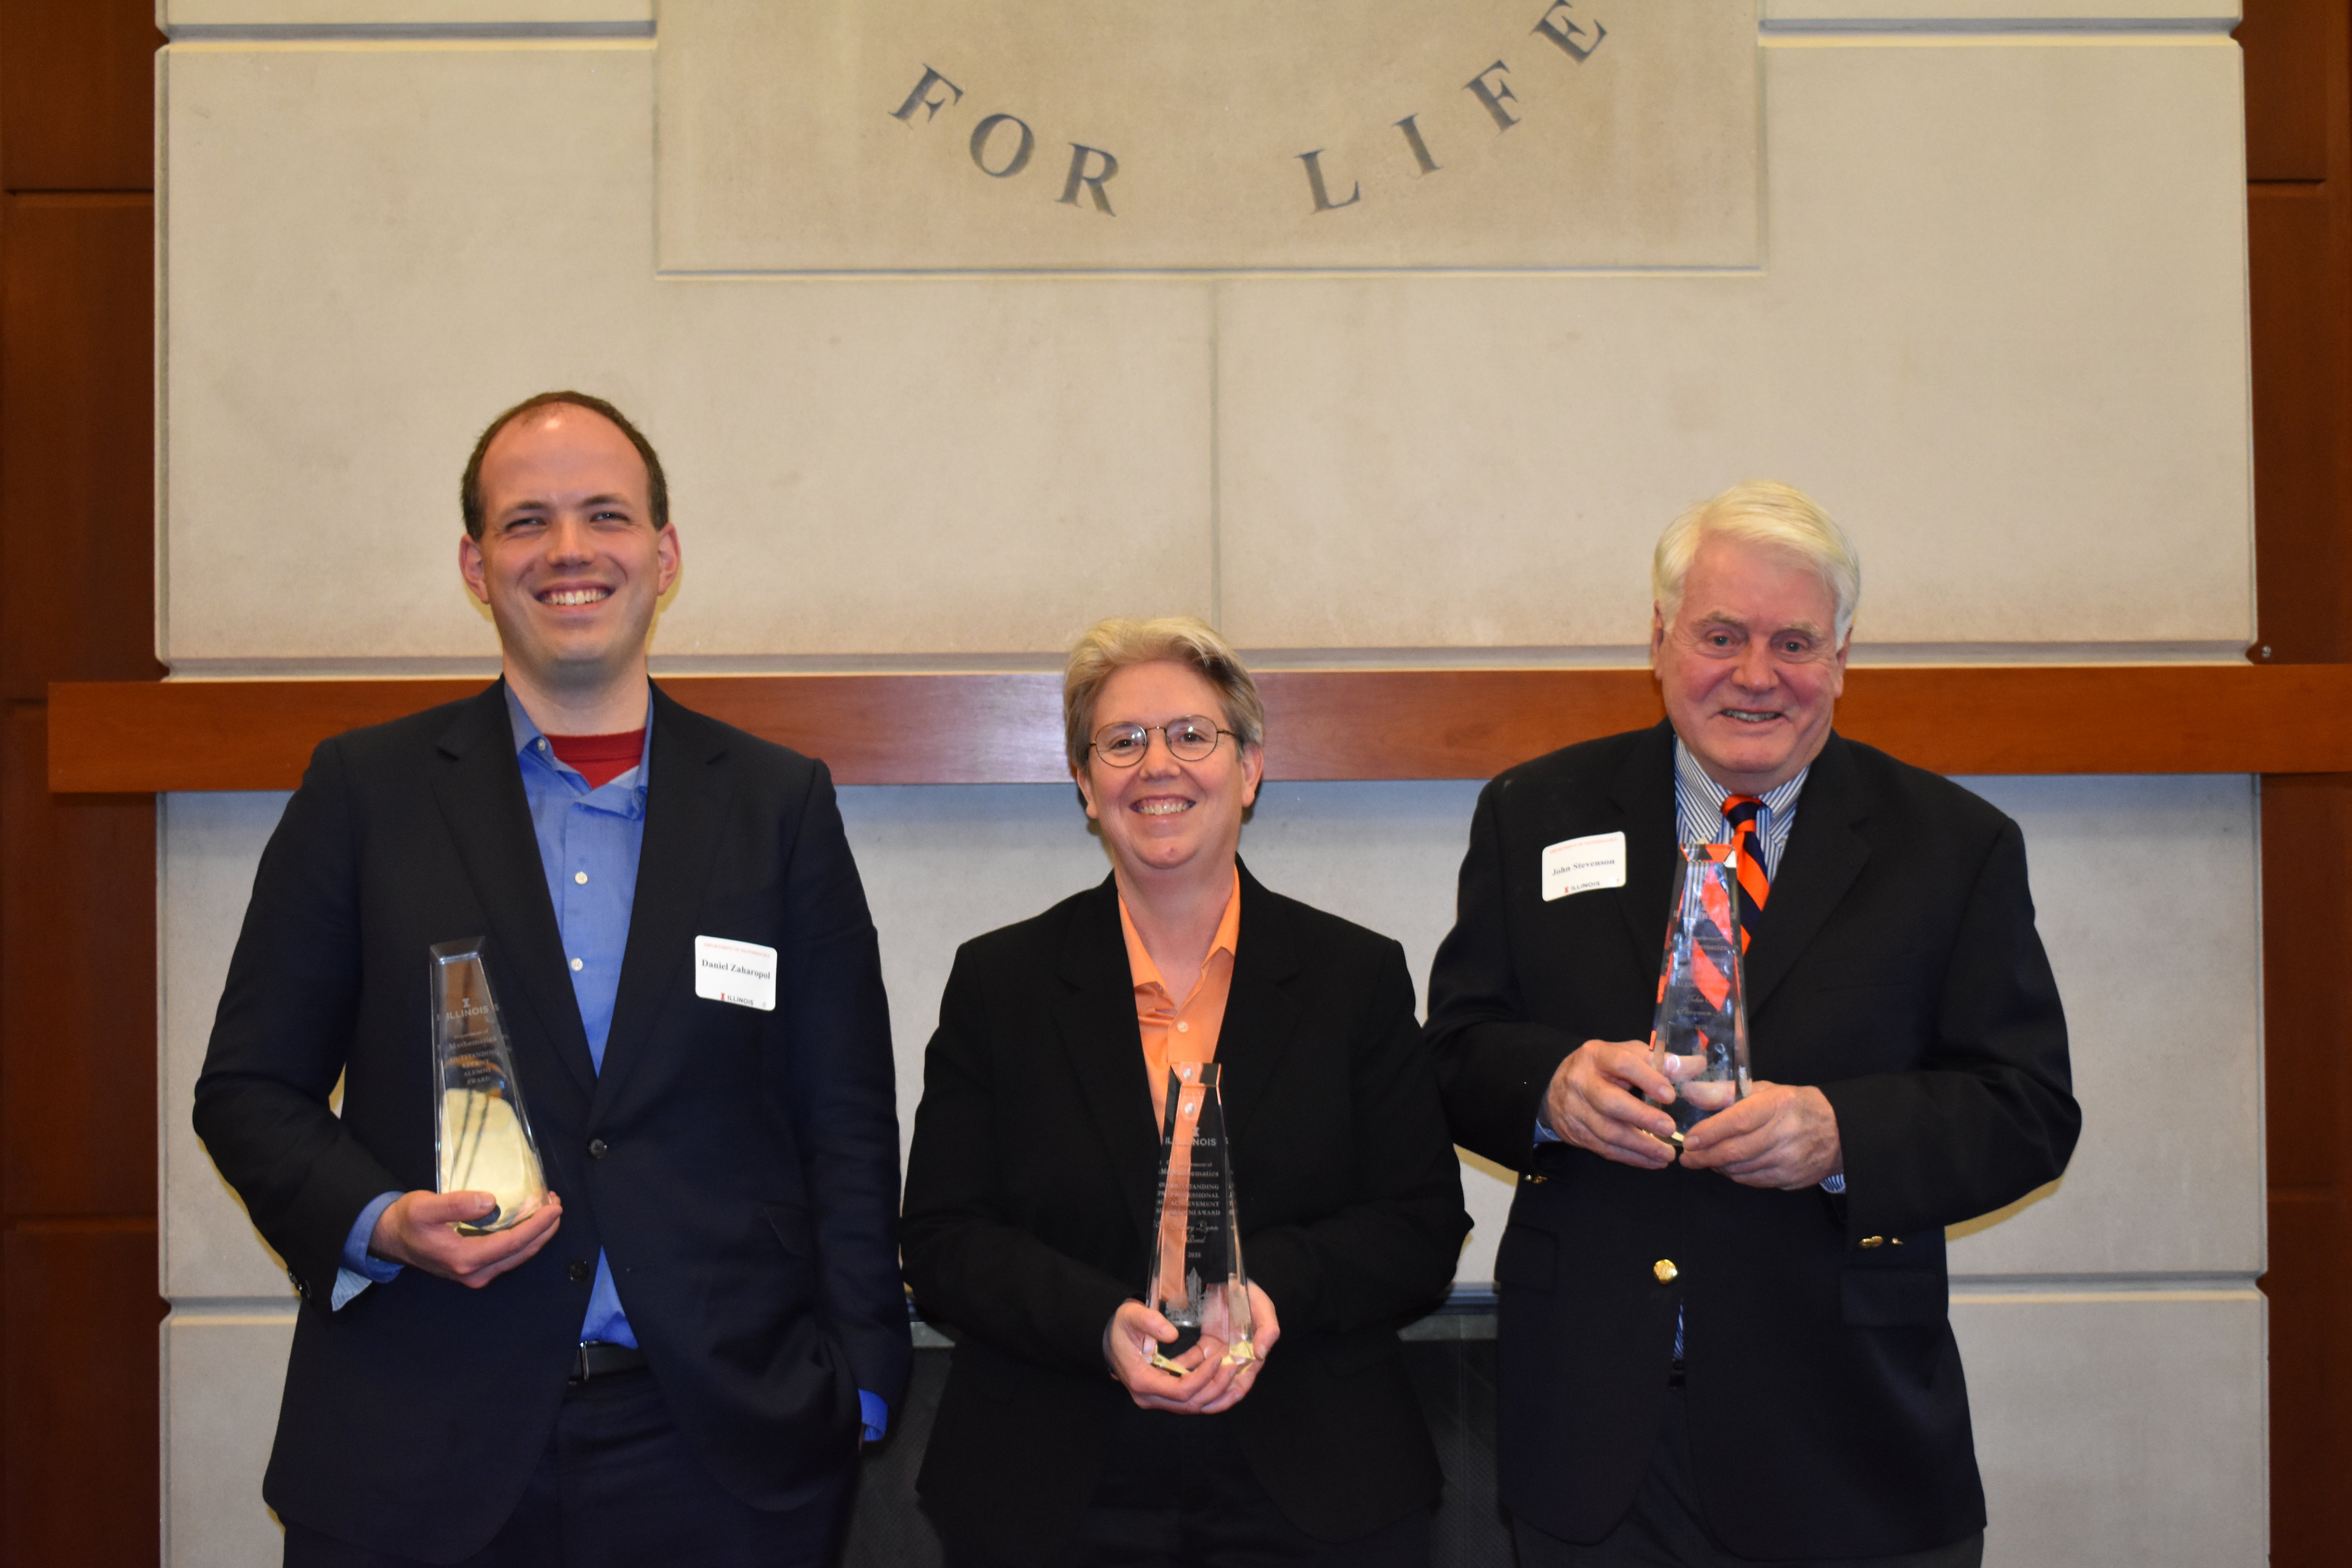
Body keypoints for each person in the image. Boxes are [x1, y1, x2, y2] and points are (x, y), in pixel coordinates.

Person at [192, 391, 911, 1567]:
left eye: (605, 516)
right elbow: (248, 1091)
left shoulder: (778, 806)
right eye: (528, 522)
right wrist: (381, 1222)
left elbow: (844, 1115)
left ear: (664, 555)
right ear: (477, 566)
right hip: (417, 1441)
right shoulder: (363, 795)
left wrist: (863, 1385)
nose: (570, 552)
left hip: (720, 1451)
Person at [1426, 482, 2080, 1567]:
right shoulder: (1533, 814)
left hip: (1849, 1439)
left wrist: (1841, 1136)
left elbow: (2028, 1110)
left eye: (1794, 642)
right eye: (1721, 635)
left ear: (1842, 656)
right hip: (1593, 1437)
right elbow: (1452, 1055)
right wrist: (1549, 1089)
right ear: (1660, 641)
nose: (1756, 675)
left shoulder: (1953, 846)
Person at [900, 616, 1470, 1567]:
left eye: (1192, 735)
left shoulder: (1354, 975)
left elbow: (1419, 1225)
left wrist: (1269, 1289)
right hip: (1054, 1483)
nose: (1156, 765)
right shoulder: (1000, 982)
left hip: (1317, 1482)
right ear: (1085, 784)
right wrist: (1097, 1321)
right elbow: (945, 1236)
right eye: (1122, 742)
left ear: (1248, 767)